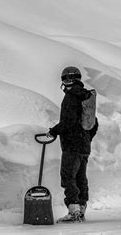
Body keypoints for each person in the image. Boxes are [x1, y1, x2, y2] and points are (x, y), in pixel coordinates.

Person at [46, 66, 98, 223]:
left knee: (69, 177)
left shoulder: (71, 97)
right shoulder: (86, 97)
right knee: (81, 178)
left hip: (72, 145)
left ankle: (73, 211)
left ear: (65, 80)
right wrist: (87, 139)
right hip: (84, 146)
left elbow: (68, 121)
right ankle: (81, 209)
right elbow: (94, 123)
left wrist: (53, 131)